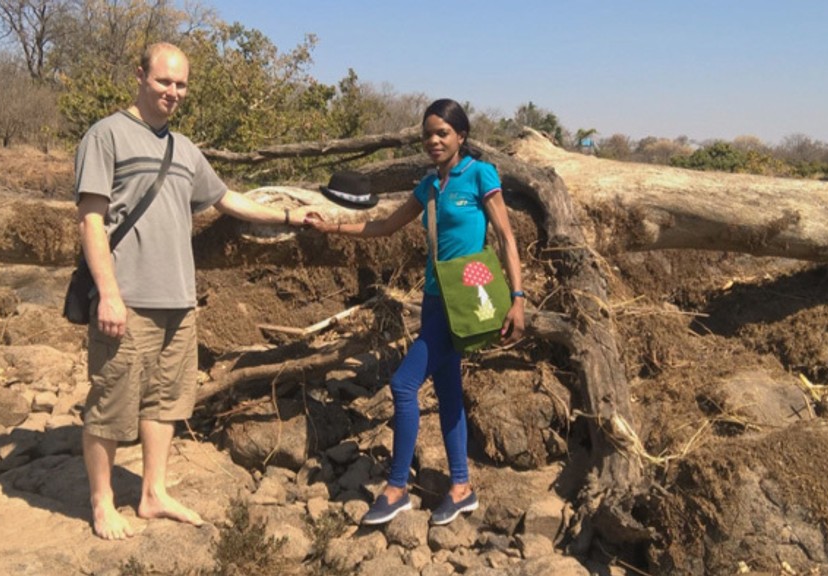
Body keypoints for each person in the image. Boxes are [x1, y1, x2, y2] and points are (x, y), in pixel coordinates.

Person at [74, 42, 315, 540]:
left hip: (179, 300)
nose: (173, 92)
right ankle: (102, 502)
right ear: (140, 76)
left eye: (181, 84)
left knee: (166, 401)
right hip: (128, 299)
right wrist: (109, 293)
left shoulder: (183, 149)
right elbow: (91, 220)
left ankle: (153, 493)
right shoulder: (106, 135)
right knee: (110, 401)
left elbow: (228, 200)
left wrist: (290, 216)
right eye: (164, 81)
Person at [306, 98, 526, 525]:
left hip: (464, 300)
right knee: (447, 391)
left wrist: (518, 298)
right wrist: (330, 226)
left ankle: (395, 489)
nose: (434, 141)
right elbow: (384, 226)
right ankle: (461, 488)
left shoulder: (480, 174)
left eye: (443, 133)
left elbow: (506, 237)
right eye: (428, 134)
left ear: (461, 136)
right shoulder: (429, 186)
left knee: (403, 384)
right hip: (434, 300)